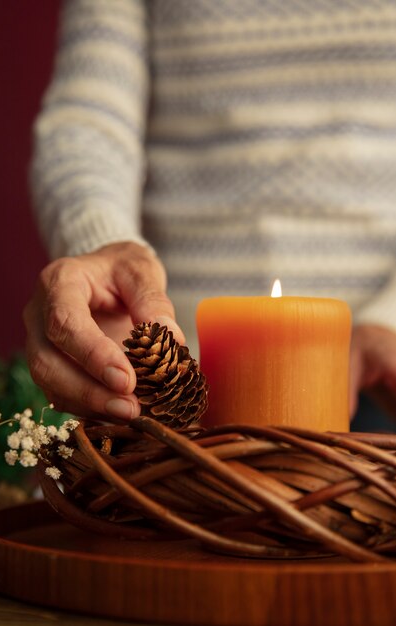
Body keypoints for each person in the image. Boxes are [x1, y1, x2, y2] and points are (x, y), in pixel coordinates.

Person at [25, 0, 396, 425]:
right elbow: (88, 122)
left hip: (378, 381)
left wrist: (391, 318)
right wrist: (105, 252)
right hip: (178, 382)